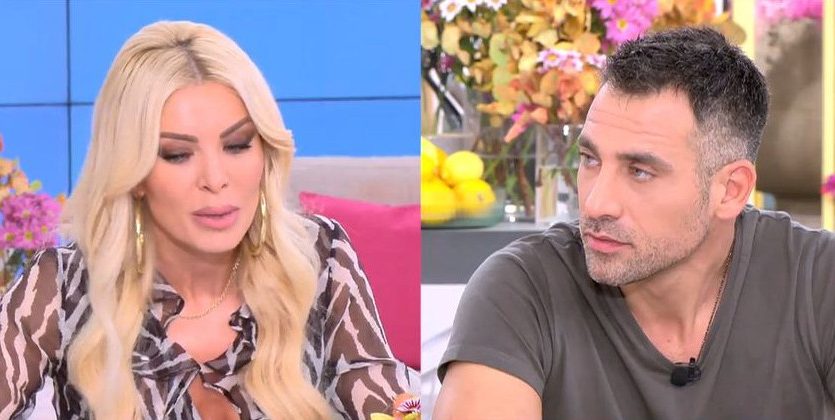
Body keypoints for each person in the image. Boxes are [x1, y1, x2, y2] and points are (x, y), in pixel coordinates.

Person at [0, 21, 411, 419]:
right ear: (133, 173)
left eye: (237, 145)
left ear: (265, 151)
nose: (215, 179)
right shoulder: (62, 285)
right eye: (178, 154)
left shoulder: (320, 258)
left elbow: (386, 401)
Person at [434, 27, 835, 419]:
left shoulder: (819, 282)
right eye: (590, 159)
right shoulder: (521, 289)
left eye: (640, 171)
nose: (596, 203)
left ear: (731, 190)